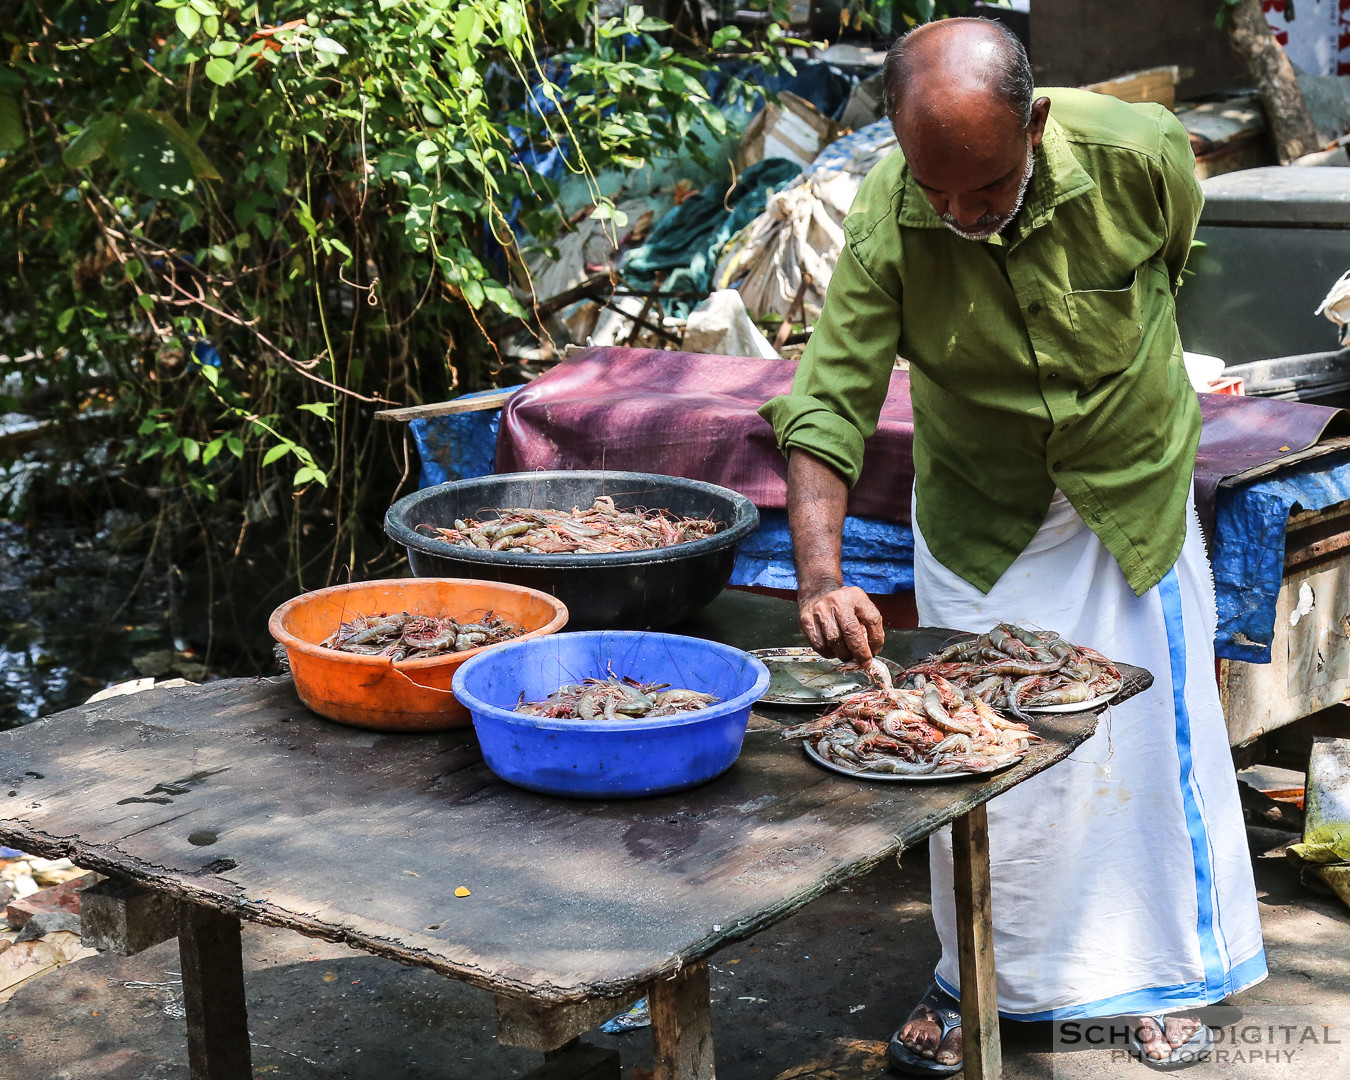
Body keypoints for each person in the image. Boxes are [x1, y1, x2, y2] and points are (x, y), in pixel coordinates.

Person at [759, 18, 1267, 1076]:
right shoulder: (893, 221)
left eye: (984, 192)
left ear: (1032, 124)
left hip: (1127, 493)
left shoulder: (1139, 152)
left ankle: (1167, 978)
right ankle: (974, 978)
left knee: (1145, 751)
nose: (959, 217)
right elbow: (827, 403)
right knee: (977, 760)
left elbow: (1174, 259)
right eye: (936, 193)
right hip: (982, 513)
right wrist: (819, 573)